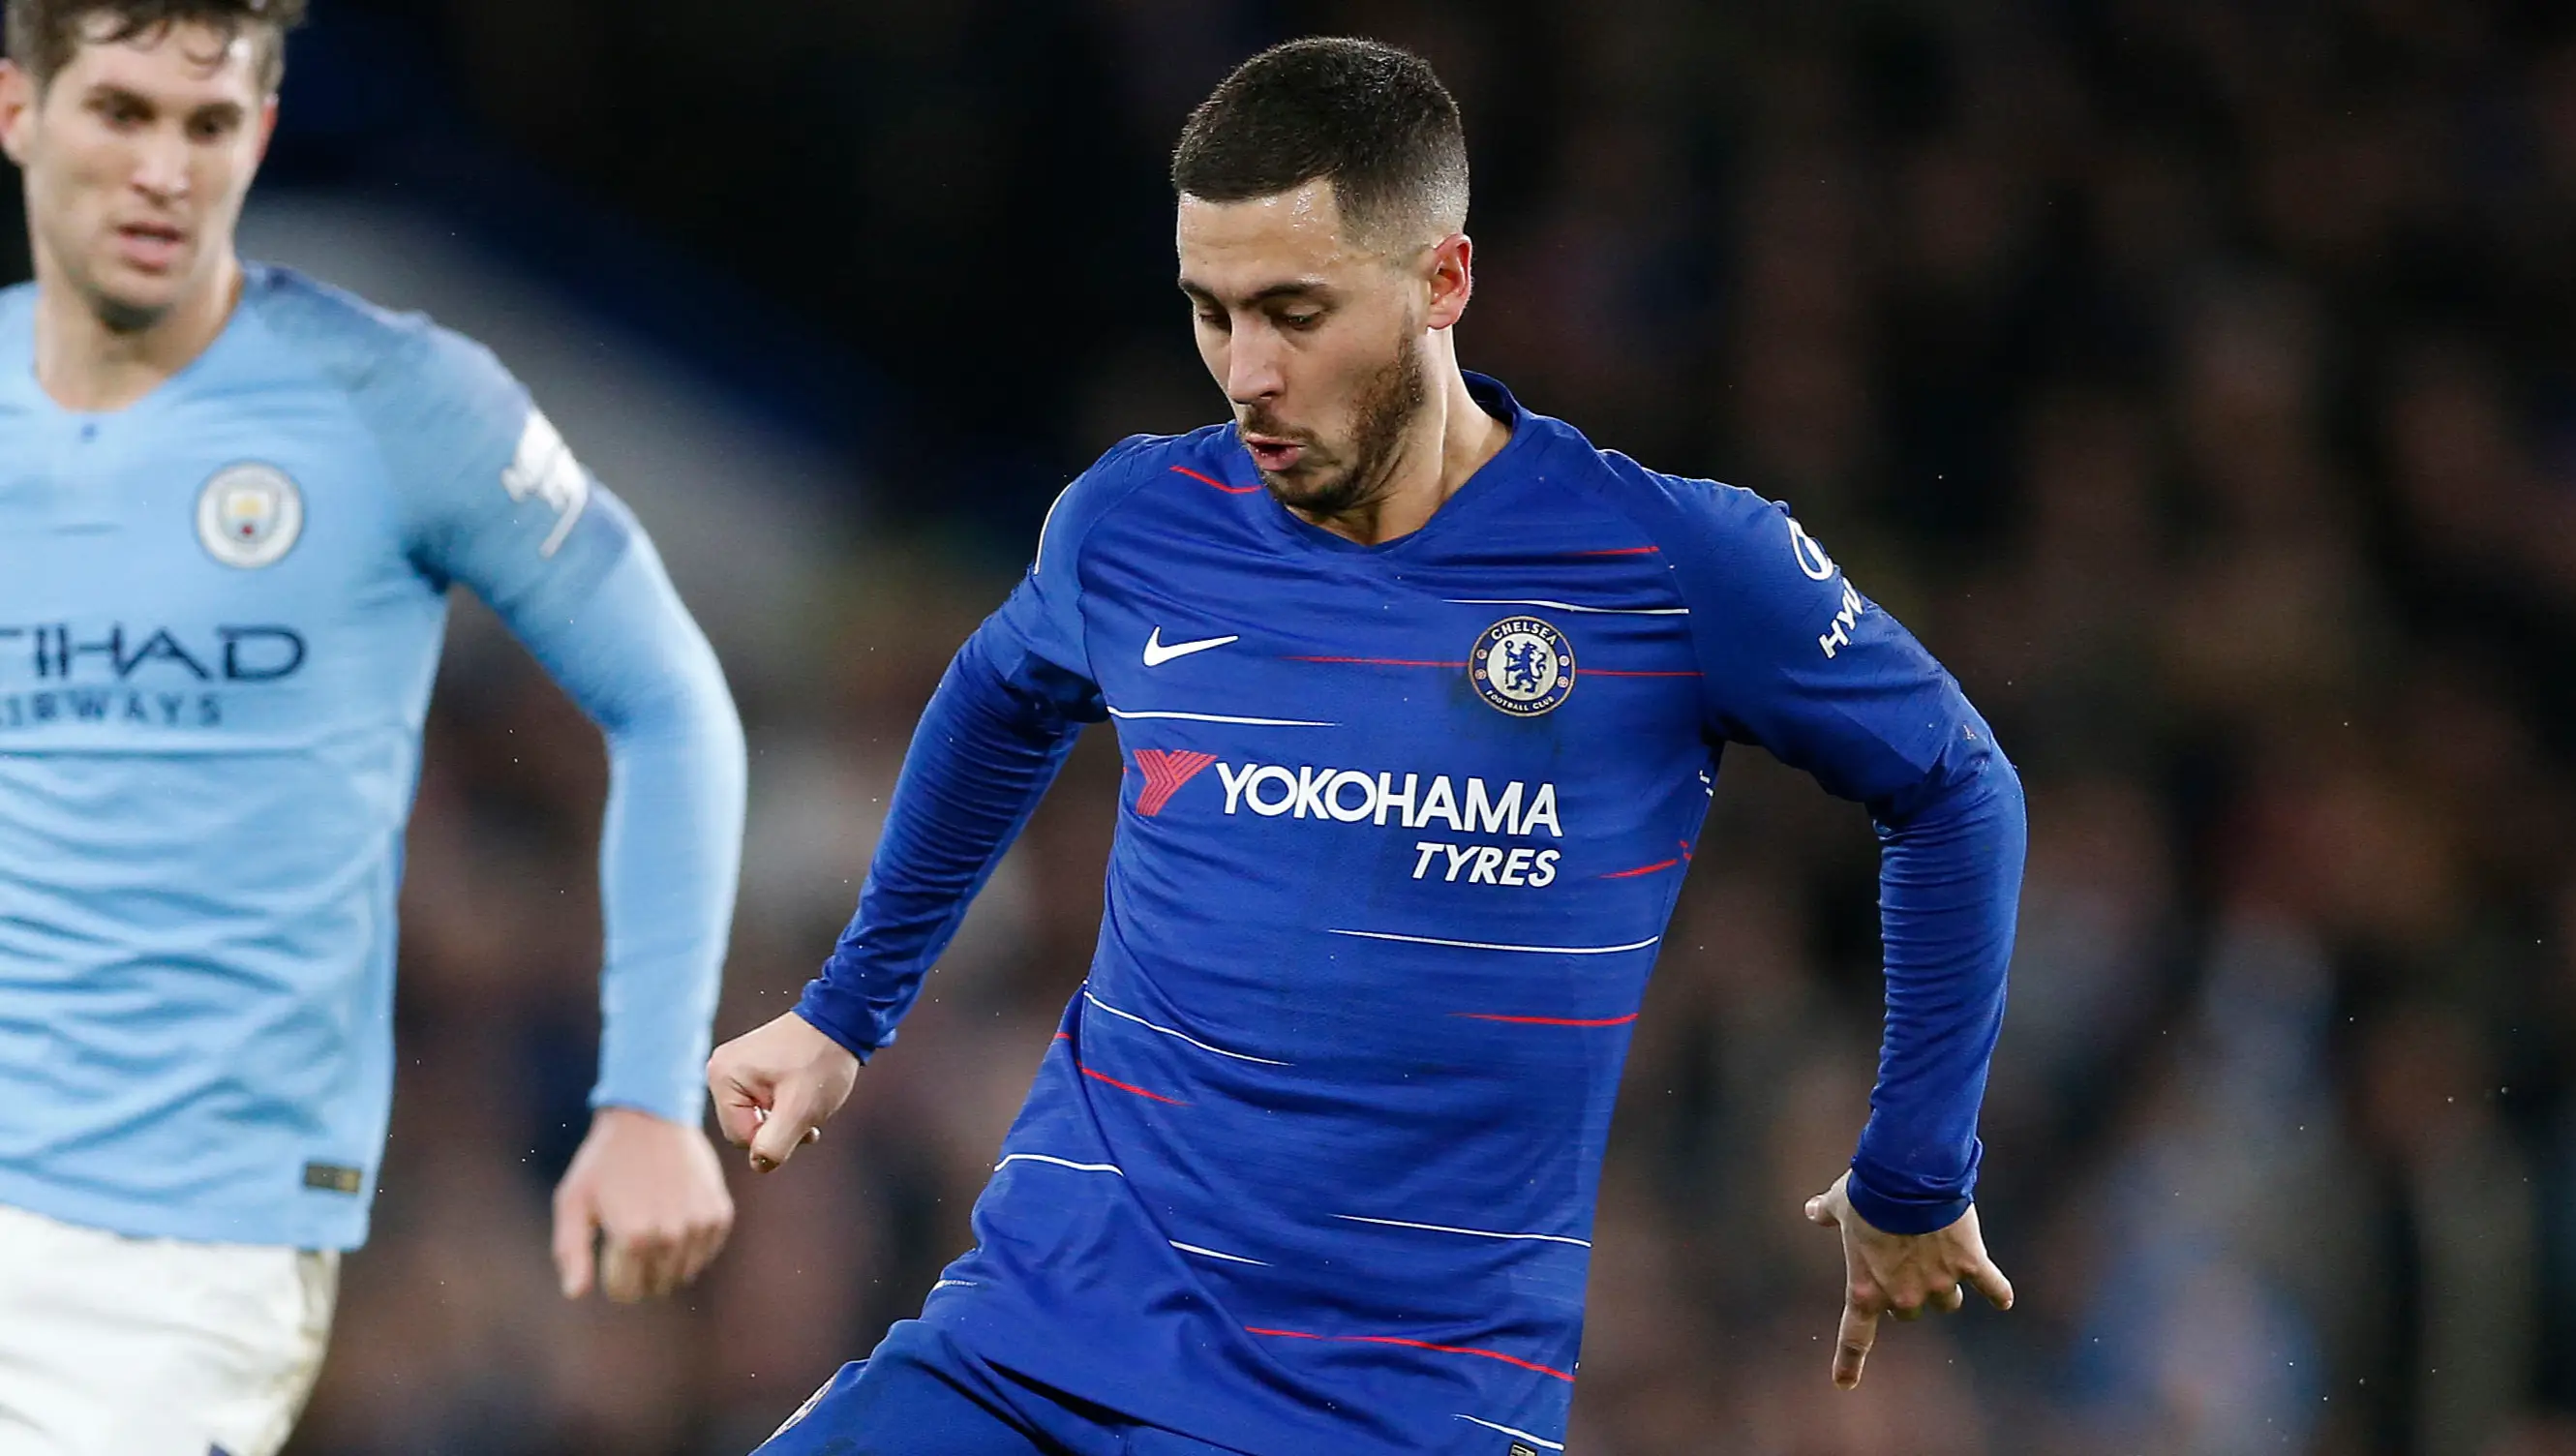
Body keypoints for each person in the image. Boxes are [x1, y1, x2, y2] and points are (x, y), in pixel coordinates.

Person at [711, 35, 2022, 1456]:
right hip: (1028, 1351)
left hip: (1392, 1417)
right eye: (1210, 312)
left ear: (1442, 282)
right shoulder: (1136, 523)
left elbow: (1953, 785)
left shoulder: (1672, 563)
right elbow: (1001, 692)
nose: (1245, 372)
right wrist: (849, 1009)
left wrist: (1912, 1163)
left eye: (1292, 310)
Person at [0, 3, 747, 1453]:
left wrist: (649, 1098)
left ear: (263, 137)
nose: (165, 168)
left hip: (169, 1261)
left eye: (207, 124)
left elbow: (670, 702)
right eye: (121, 114)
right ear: (21, 110)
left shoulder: (395, 403)